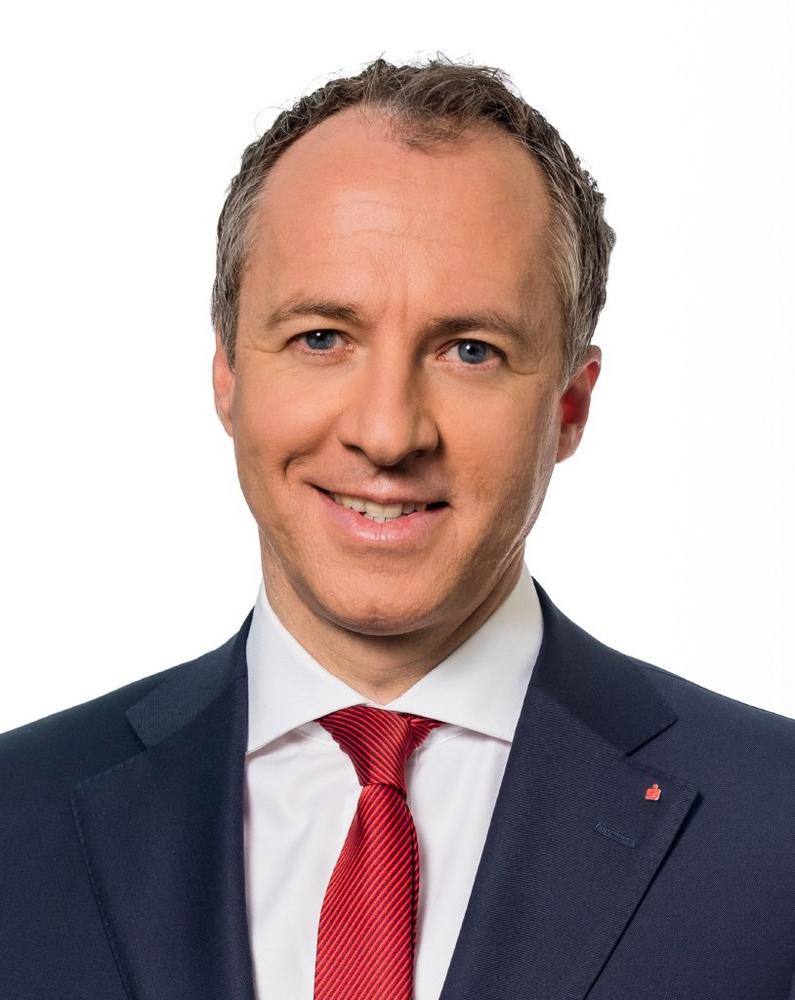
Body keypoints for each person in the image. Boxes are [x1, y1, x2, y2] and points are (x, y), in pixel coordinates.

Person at [1, 56, 794, 1000]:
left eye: (470, 351)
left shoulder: (774, 825)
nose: (386, 434)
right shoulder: (17, 818)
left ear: (569, 407)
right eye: (321, 338)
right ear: (228, 376)